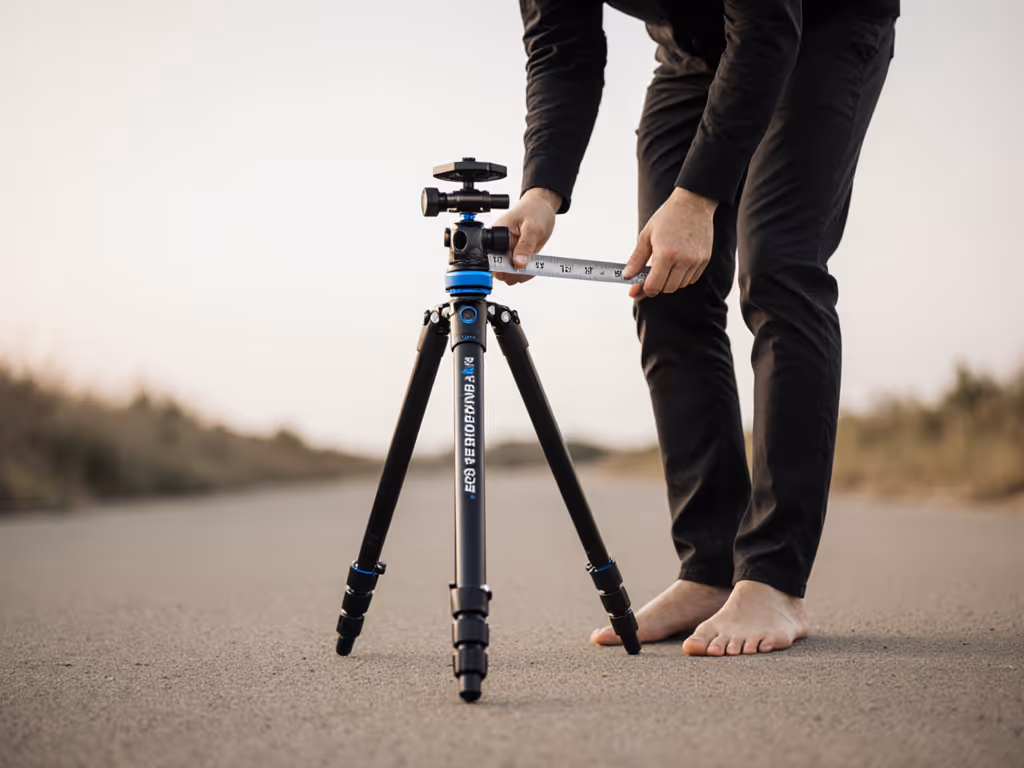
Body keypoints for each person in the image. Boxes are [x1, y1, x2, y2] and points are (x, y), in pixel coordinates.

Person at [495, 0, 899, 656]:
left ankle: (773, 578)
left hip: (818, 23)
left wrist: (695, 197)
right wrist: (541, 191)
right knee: (665, 287)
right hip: (692, 52)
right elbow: (561, 49)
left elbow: (768, 25)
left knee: (779, 268)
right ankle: (711, 570)